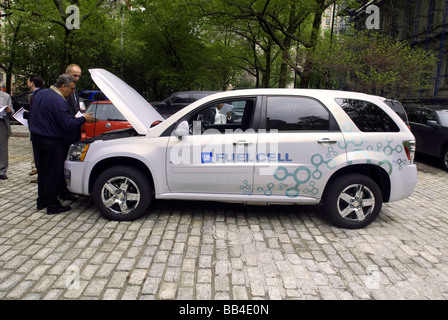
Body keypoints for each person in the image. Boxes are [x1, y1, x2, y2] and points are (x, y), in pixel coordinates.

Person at [28, 74, 96, 215]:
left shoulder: (40, 94)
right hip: (52, 141)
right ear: (63, 86)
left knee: (43, 172)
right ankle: (53, 205)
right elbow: (67, 124)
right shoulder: (58, 100)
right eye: (71, 89)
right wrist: (83, 119)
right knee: (53, 173)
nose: (72, 92)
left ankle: (42, 201)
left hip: (37, 139)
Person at [59, 64, 82, 199]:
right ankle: (62, 191)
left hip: (74, 131)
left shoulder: (75, 89)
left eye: (79, 76)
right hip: (65, 133)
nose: (77, 78)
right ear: (66, 73)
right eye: (75, 76)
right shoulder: (62, 91)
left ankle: (67, 189)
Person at [27, 74, 45, 182]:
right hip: (35, 127)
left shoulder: (36, 96)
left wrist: (27, 115)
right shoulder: (32, 95)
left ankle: (40, 175)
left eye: (28, 81)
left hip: (37, 129)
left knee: (38, 153)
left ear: (32, 83)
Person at [0, 79, 14, 180]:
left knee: (3, 148)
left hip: (2, 123)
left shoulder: (6, 96)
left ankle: (2, 170)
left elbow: (12, 111)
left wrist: (9, 110)